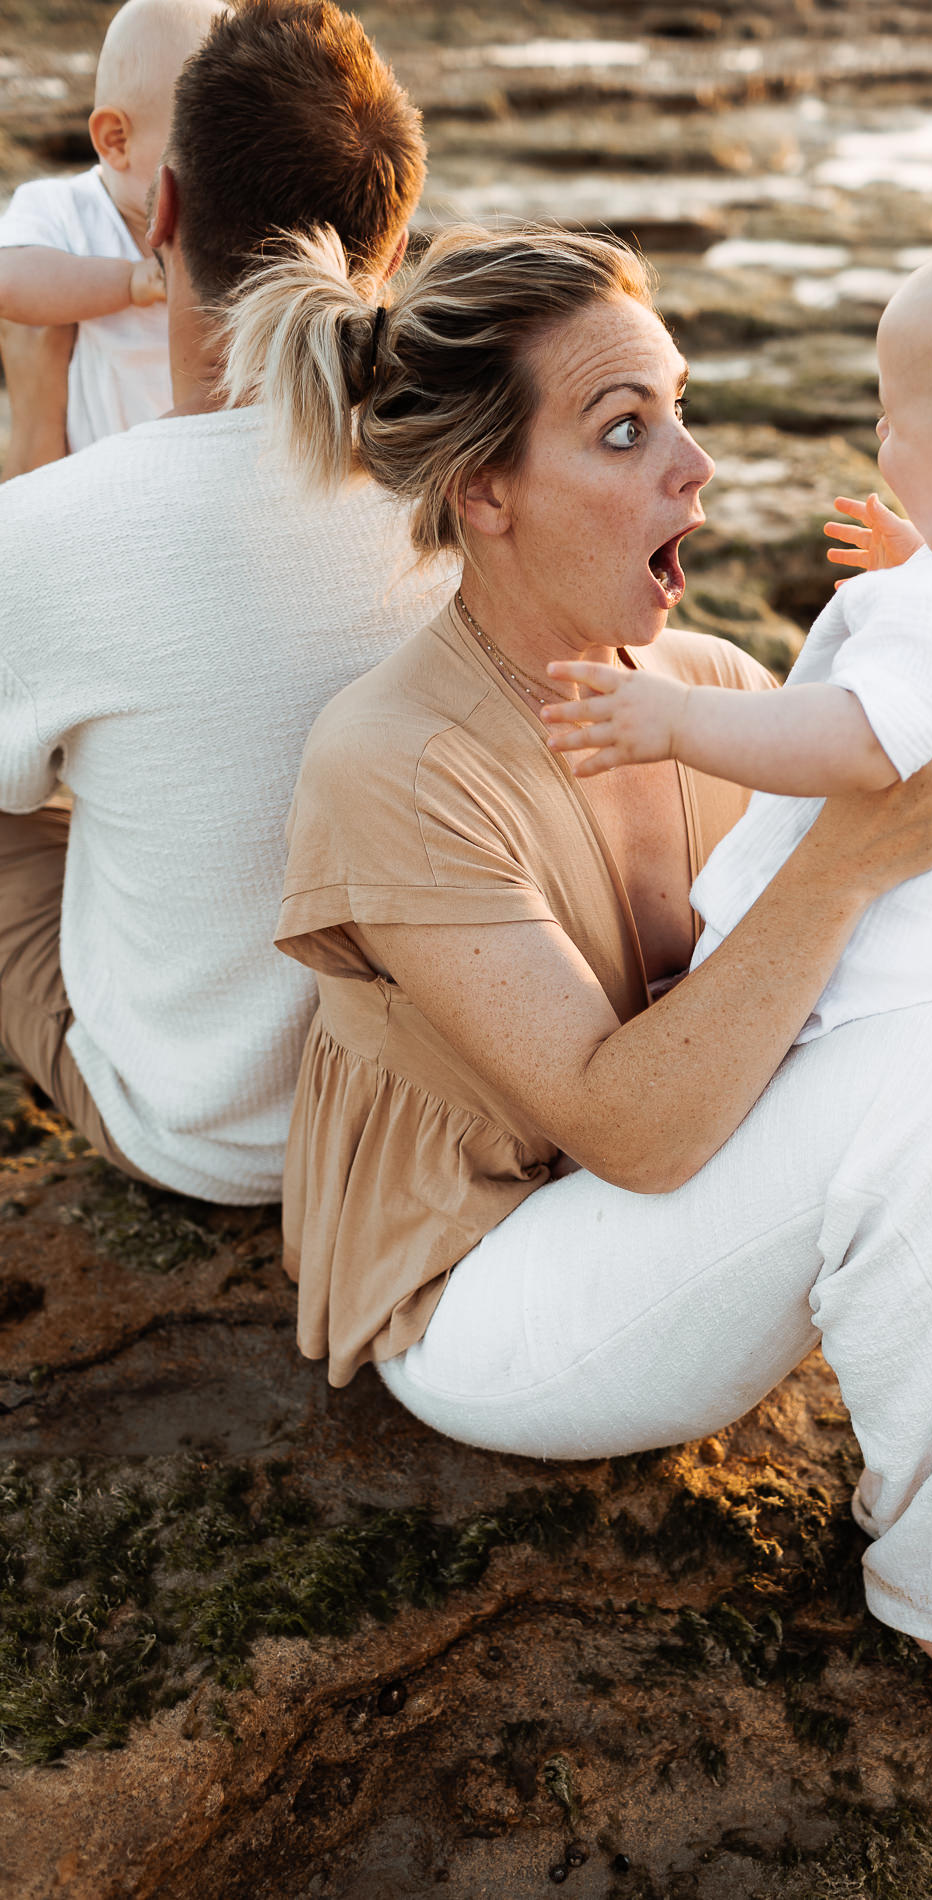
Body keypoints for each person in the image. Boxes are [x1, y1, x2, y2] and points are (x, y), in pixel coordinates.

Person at [225, 218, 932, 1814]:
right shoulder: (389, 764)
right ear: (485, 494)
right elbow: (633, 1130)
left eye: (677, 408)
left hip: (654, 1220)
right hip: (487, 1297)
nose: (697, 466)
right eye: (624, 429)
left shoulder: (712, 691)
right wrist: (858, 859)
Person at [0, 0, 440, 1202]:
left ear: (165, 214)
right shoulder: (477, 487)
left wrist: (32, 398)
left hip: (203, 1136)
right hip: (414, 1114)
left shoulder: (53, 526)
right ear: (388, 248)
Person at [541, 214, 932, 1039]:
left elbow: (860, 737)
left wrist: (677, 720)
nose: (879, 438)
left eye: (894, 422)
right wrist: (926, 563)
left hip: (843, 980)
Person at [0, 0, 226, 480]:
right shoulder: (63, 208)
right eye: (207, 143)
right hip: (87, 475)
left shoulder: (221, 219)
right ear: (116, 140)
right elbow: (9, 281)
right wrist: (127, 282)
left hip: (190, 471)